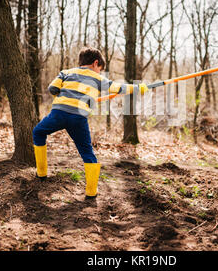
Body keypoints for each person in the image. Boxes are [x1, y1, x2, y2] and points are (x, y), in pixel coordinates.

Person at [32, 47, 148, 199]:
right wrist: (138, 88)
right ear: (95, 63)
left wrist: (66, 95)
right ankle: (91, 192)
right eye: (100, 69)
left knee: (38, 132)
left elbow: (52, 88)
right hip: (78, 117)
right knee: (87, 151)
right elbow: (119, 88)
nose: (99, 72)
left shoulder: (66, 72)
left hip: (58, 114)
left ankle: (41, 173)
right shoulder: (98, 79)